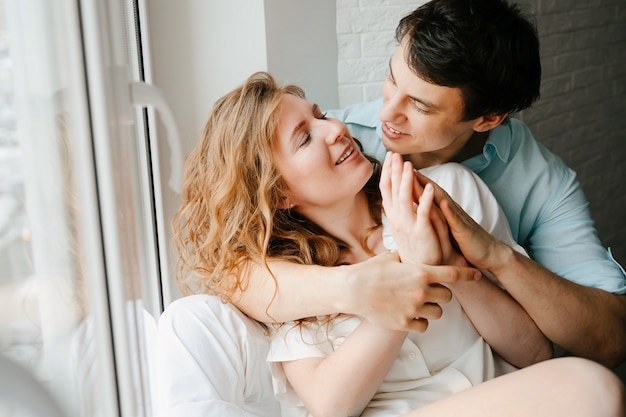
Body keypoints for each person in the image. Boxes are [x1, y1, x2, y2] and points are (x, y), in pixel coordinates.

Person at [161, 71, 624, 416]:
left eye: (320, 115)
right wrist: (412, 277)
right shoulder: (289, 281)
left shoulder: (443, 192)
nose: (335, 128)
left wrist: (447, 262)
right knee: (589, 387)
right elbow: (330, 406)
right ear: (280, 194)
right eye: (305, 137)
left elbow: (533, 354)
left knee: (590, 386)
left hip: (511, 399)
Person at [230, 0, 626, 369]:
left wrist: (497, 257)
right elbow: (232, 273)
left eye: (420, 105)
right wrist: (354, 287)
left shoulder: (542, 183)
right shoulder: (338, 143)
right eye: (391, 78)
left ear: (487, 118)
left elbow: (610, 338)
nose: (386, 112)